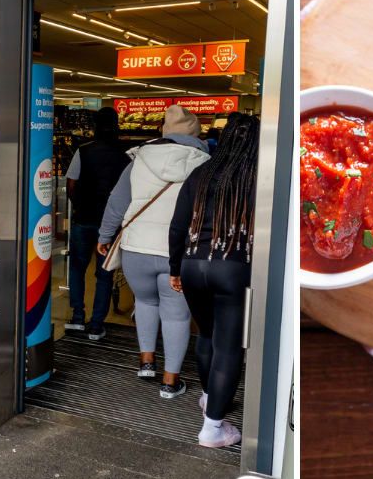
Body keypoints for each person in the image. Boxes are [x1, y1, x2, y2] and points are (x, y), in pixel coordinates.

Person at [99, 105, 209, 399]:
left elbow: (117, 201)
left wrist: (105, 235)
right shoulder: (205, 163)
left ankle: (146, 362)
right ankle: (170, 381)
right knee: (176, 316)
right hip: (178, 252)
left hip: (137, 248)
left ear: (163, 131)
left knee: (145, 303)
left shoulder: (140, 158)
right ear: (196, 135)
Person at [167, 114, 258, 449]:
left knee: (205, 334)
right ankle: (213, 429)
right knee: (228, 346)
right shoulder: (255, 177)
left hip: (193, 264)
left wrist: (175, 267)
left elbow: (177, 226)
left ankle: (209, 398)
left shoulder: (200, 174)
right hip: (232, 266)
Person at [64, 107, 128, 341]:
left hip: (84, 219)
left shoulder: (83, 151)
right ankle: (96, 324)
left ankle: (78, 317)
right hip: (111, 223)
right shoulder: (127, 154)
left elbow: (71, 185)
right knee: (105, 273)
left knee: (77, 268)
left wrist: (80, 204)